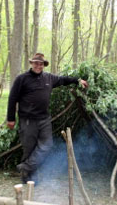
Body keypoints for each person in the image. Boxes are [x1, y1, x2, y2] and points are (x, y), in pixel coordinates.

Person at [6, 53, 88, 183]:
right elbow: (12, 98)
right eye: (36, 63)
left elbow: (63, 80)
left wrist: (78, 80)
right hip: (27, 120)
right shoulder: (22, 79)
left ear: (44, 65)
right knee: (29, 148)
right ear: (31, 63)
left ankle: (25, 167)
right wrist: (10, 118)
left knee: (47, 145)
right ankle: (27, 178)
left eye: (41, 63)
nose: (38, 65)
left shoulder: (49, 78)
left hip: (44, 119)